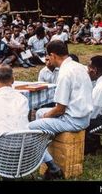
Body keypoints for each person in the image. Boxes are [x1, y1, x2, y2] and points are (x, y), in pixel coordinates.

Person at [29, 40, 93, 180]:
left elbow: (59, 109)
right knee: (40, 114)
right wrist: (44, 115)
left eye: (48, 57)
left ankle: (53, 168)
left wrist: (46, 115)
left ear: (52, 55)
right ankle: (46, 148)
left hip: (72, 120)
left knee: (29, 128)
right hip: (84, 116)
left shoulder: (65, 73)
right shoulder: (80, 66)